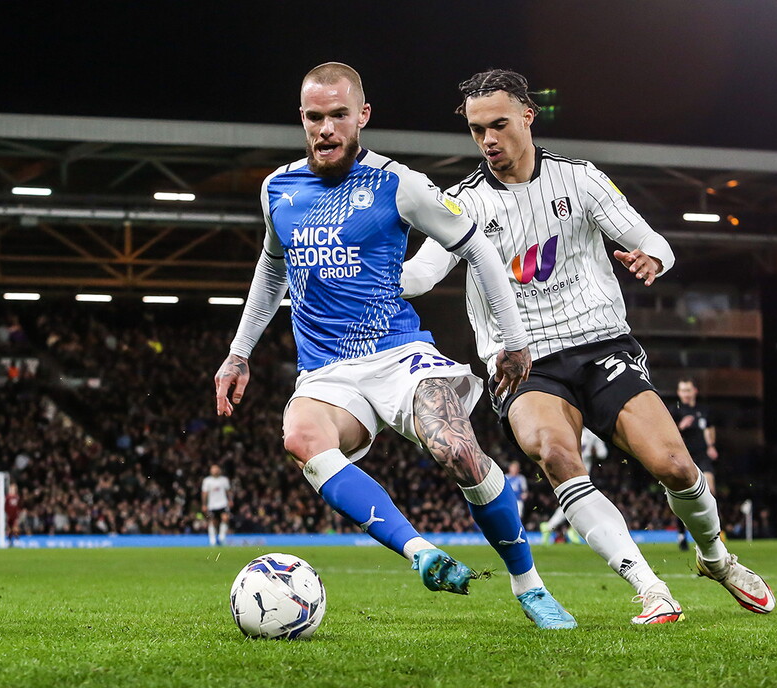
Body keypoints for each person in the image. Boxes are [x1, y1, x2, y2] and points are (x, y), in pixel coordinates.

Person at [401, 68, 775, 621]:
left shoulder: (580, 181)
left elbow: (654, 242)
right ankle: (650, 588)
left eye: (499, 125)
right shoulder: (461, 204)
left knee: (675, 466)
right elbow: (419, 276)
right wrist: (349, 267)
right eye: (477, 131)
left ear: (529, 116)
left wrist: (653, 259)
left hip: (602, 346)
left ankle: (717, 559)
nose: (488, 141)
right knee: (555, 453)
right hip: (525, 364)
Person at [213, 62, 574, 629]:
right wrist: (239, 353)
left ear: (363, 115)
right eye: (314, 117)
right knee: (301, 436)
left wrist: (512, 338)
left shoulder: (397, 184)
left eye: (338, 115)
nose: (326, 129)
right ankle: (421, 553)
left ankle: (528, 584)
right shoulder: (277, 189)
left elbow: (475, 247)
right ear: (301, 119)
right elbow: (271, 267)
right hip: (327, 371)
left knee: (455, 448)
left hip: (399, 356)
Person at [670, 378, 717, 550]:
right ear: (678, 393)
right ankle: (682, 534)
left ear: (695, 391)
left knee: (711, 491)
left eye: (688, 390)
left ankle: (711, 534)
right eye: (682, 391)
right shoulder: (675, 410)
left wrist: (711, 445)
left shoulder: (703, 410)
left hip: (702, 455)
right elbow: (668, 434)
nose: (686, 394)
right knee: (683, 496)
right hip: (684, 458)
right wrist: (681, 427)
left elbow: (709, 427)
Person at [201, 464, 232, 546]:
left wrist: (230, 500)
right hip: (212, 505)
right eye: (213, 469)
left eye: (216, 469)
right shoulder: (207, 481)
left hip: (223, 503)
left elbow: (228, 491)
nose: (215, 471)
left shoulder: (224, 480)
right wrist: (204, 504)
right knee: (212, 522)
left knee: (225, 518)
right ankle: (213, 540)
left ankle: (222, 538)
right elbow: (204, 493)